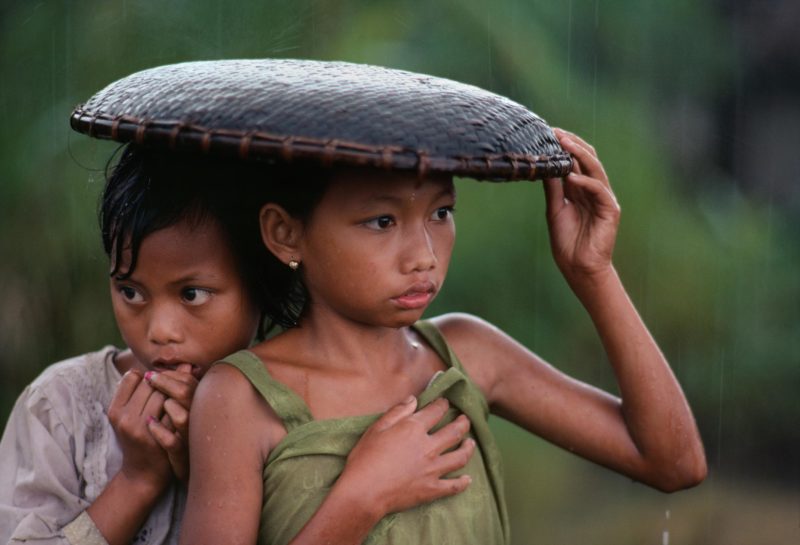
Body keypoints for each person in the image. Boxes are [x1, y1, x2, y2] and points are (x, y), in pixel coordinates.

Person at [180, 129, 707, 545]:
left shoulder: (466, 356)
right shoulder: (239, 399)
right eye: (382, 220)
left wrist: (592, 273)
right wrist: (362, 499)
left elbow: (673, 463)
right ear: (285, 233)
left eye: (441, 212)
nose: (424, 257)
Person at [0, 145, 473, 545]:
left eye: (192, 294)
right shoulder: (60, 406)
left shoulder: (288, 405)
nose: (160, 330)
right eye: (130, 291)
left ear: (261, 282)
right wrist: (138, 479)